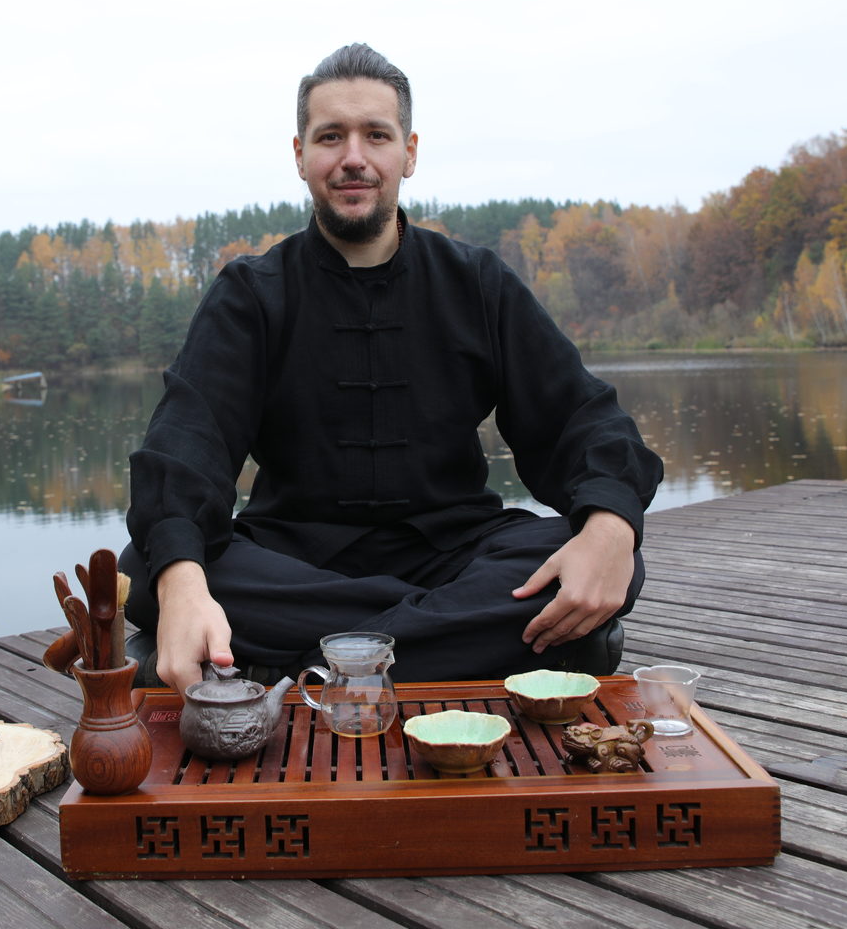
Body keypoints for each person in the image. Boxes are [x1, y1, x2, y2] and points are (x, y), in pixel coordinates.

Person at [121, 43, 663, 697]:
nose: (354, 157)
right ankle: (490, 645)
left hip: (454, 552)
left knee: (605, 555)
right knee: (156, 572)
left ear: (408, 151)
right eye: (331, 137)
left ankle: (306, 665)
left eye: (376, 135)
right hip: (293, 563)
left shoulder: (476, 283)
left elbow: (583, 420)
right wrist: (181, 582)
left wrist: (609, 528)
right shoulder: (252, 295)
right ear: (301, 156)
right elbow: (186, 446)